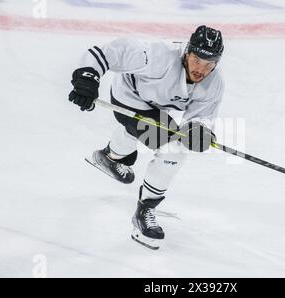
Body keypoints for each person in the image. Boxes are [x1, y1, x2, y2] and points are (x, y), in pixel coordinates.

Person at [68, 25, 225, 250]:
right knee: (173, 149)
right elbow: (107, 52)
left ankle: (109, 157)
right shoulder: (158, 56)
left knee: (151, 131)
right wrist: (87, 77)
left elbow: (202, 116)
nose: (201, 69)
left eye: (209, 64)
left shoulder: (214, 83)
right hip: (128, 98)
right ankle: (145, 210)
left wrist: (199, 131)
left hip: (154, 107)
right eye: (197, 60)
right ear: (187, 52)